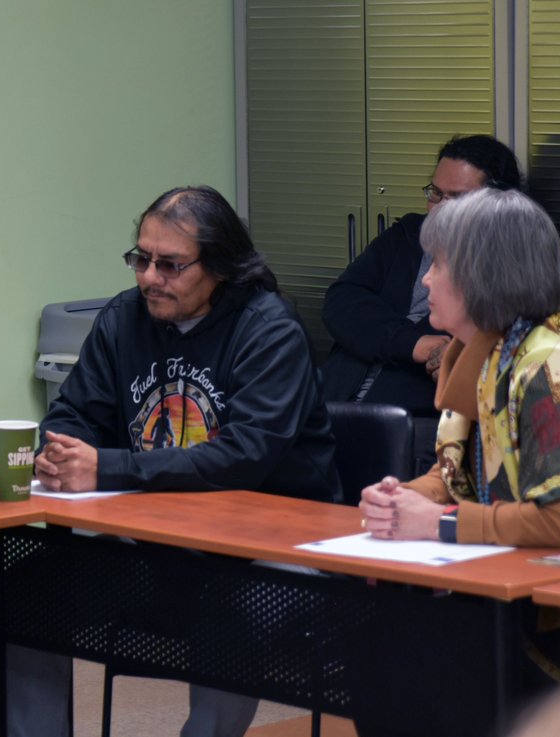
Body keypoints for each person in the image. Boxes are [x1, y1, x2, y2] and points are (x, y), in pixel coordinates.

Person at [19, 185, 341, 737]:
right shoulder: (125, 319)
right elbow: (73, 410)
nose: (148, 277)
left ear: (220, 266)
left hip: (269, 552)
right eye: (140, 259)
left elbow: (240, 458)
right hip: (159, 543)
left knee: (231, 621)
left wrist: (106, 469)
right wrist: (62, 449)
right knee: (27, 592)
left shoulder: (268, 331)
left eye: (170, 265)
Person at [360, 188, 560, 548]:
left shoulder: (556, 367)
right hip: (554, 568)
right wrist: (399, 500)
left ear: (482, 276)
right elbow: (452, 475)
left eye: (438, 265)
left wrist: (440, 522)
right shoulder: (483, 352)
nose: (426, 279)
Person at [321, 135, 560, 475]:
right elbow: (342, 300)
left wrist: (467, 351)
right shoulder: (408, 234)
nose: (440, 207)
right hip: (335, 403)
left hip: (416, 422)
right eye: (436, 194)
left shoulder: (516, 256)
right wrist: (418, 344)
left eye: (457, 198)